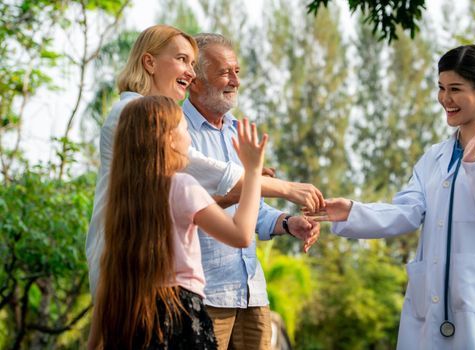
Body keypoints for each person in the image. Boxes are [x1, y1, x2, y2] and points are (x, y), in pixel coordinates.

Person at [308, 45, 475, 349]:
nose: (444, 99)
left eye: (455, 89)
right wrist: (351, 212)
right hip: (430, 308)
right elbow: (407, 211)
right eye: (441, 88)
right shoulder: (434, 157)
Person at [85, 24, 324, 297]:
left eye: (192, 63)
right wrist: (285, 188)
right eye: (181, 60)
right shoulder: (132, 111)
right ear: (149, 62)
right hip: (127, 268)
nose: (190, 71)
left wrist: (264, 200)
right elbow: (198, 167)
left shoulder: (162, 116)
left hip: (150, 269)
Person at [87, 95, 268, 349]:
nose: (190, 137)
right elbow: (240, 234)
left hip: (134, 319)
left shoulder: (124, 199)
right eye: (184, 128)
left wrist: (93, 343)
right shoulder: (181, 186)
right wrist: (252, 172)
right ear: (169, 139)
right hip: (180, 317)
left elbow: (108, 279)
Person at [184, 33, 321, 350]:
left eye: (237, 71)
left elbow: (253, 210)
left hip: (251, 292)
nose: (234, 81)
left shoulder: (239, 131)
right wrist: (252, 186)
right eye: (224, 72)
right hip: (205, 293)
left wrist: (288, 223)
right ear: (194, 81)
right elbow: (184, 206)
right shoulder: (177, 131)